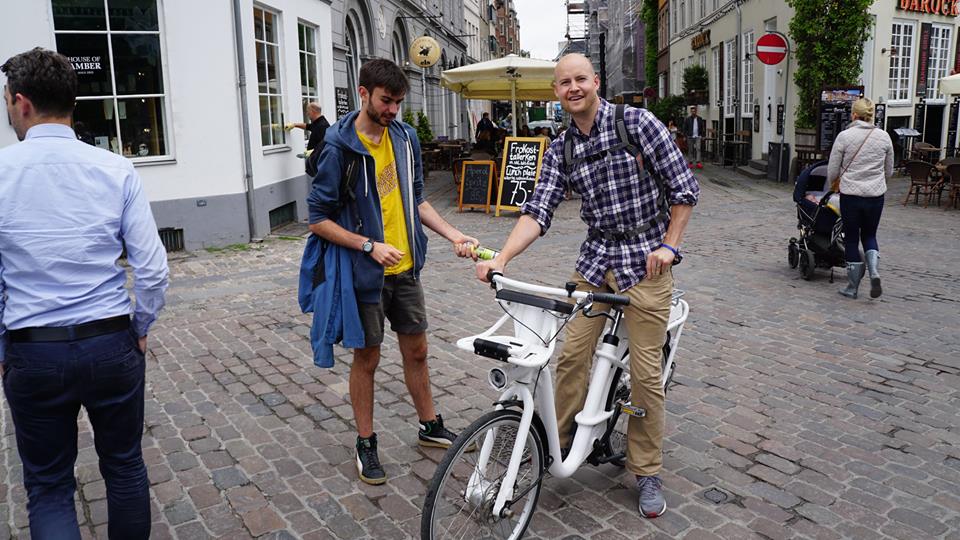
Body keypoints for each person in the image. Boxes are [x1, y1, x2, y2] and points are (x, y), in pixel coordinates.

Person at [475, 53, 699, 519]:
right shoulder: (561, 148)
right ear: (555, 92)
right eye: (564, 83)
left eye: (580, 79)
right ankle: (546, 449)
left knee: (644, 377)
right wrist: (502, 256)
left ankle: (646, 469)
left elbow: (683, 189)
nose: (573, 88)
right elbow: (538, 210)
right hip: (596, 262)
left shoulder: (637, 124)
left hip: (646, 263)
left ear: (595, 82)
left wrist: (669, 247)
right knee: (572, 355)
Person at [0, 48, 169, 539]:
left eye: (7, 102)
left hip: (34, 349)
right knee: (123, 467)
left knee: (49, 486)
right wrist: (139, 328)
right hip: (109, 343)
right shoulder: (115, 169)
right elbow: (153, 270)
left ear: (23, 103)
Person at [306, 58, 479, 485]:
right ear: (363, 93)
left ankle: (429, 425)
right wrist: (368, 245)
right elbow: (317, 218)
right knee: (368, 357)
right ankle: (366, 441)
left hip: (405, 269)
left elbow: (416, 197)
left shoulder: (403, 138)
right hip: (365, 272)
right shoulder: (337, 148)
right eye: (386, 101)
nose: (393, 111)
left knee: (417, 351)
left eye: (398, 102)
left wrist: (453, 234)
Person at [826, 97, 893, 299]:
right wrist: (877, 181)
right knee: (870, 235)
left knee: (852, 239)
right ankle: (874, 272)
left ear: (854, 115)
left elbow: (832, 169)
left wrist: (834, 184)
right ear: (871, 115)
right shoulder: (884, 137)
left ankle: (852, 287)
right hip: (875, 195)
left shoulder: (844, 136)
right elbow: (888, 170)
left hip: (851, 195)